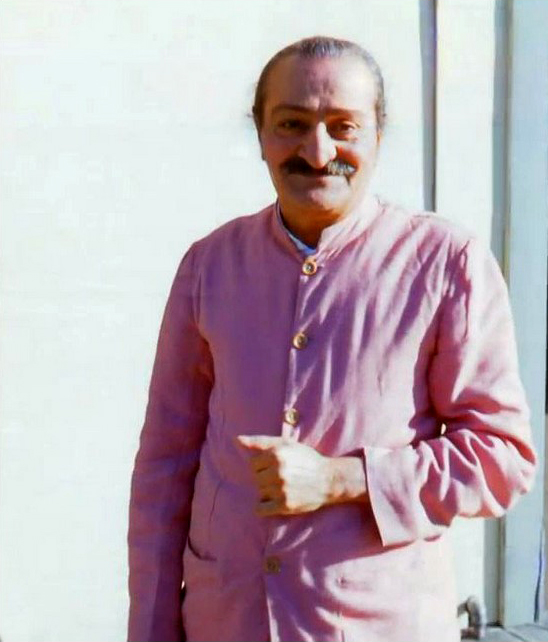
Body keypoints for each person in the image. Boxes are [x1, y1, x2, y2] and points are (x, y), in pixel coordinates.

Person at [127, 36, 537, 642]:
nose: (318, 152)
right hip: (227, 620)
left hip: (380, 622)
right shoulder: (209, 267)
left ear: (377, 133)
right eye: (292, 124)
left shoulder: (446, 264)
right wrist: (151, 628)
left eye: (342, 126)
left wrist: (345, 479)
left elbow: (502, 459)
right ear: (261, 132)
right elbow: (165, 465)